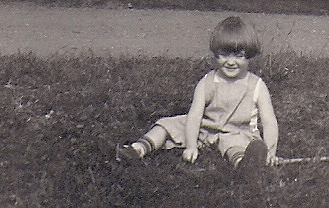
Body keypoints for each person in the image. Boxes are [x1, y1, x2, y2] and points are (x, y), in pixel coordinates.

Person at [116, 15, 278, 172]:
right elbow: (194, 116)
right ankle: (137, 149)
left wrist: (271, 151)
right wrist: (191, 145)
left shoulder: (257, 86)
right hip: (205, 128)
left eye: (238, 56)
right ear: (216, 53)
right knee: (167, 125)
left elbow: (269, 122)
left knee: (236, 144)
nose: (230, 62)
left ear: (249, 56)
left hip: (237, 131)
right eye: (224, 54)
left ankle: (245, 164)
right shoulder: (207, 82)